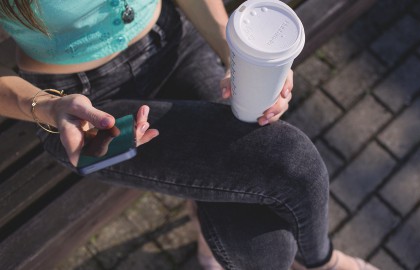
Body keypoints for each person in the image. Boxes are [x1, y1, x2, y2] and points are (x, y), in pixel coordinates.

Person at [0, 0, 379, 269]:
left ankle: (210, 214)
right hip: (81, 106)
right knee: (288, 159)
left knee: (267, 248)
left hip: (173, 44)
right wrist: (44, 107)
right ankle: (321, 262)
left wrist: (238, 56)